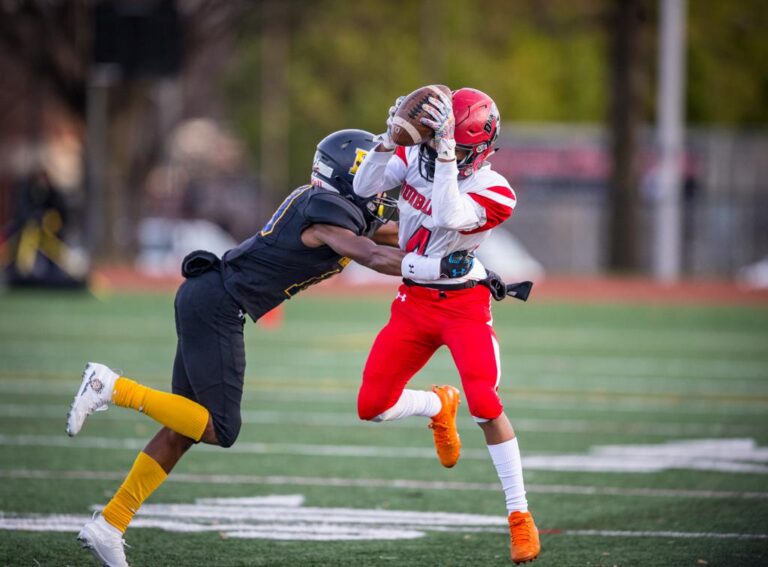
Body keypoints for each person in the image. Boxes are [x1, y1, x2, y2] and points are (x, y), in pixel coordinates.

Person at [65, 129, 475, 567]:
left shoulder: (336, 206)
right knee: (220, 428)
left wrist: (454, 229)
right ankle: (112, 386)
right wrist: (436, 268)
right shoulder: (326, 214)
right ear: (347, 177)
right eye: (372, 180)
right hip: (217, 305)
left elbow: (397, 234)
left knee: (183, 429)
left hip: (209, 297)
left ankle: (110, 523)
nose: (380, 189)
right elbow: (372, 256)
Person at [353, 89, 541, 564]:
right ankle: (437, 404)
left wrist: (440, 156)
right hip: (413, 303)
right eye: (445, 141)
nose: (447, 149)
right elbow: (362, 187)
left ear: (478, 147)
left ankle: (519, 515)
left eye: (457, 144)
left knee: (485, 403)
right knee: (371, 406)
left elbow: (448, 213)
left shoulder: (497, 189)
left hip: (463, 306)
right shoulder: (419, 154)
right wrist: (387, 137)